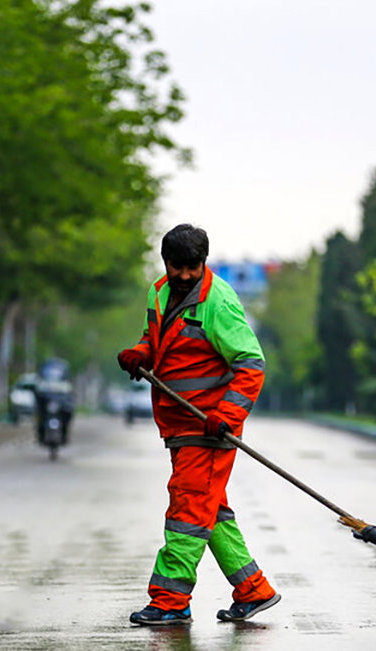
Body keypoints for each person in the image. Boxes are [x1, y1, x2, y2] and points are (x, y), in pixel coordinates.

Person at [117, 224, 280, 626]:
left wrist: (226, 415)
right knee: (209, 511)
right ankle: (253, 590)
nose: (186, 274)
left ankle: (170, 601)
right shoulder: (158, 292)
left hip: (210, 429)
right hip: (179, 426)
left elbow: (251, 364)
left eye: (194, 266)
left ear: (204, 262)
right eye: (178, 266)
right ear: (166, 262)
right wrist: (140, 354)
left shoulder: (218, 302)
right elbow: (154, 340)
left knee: (188, 511)